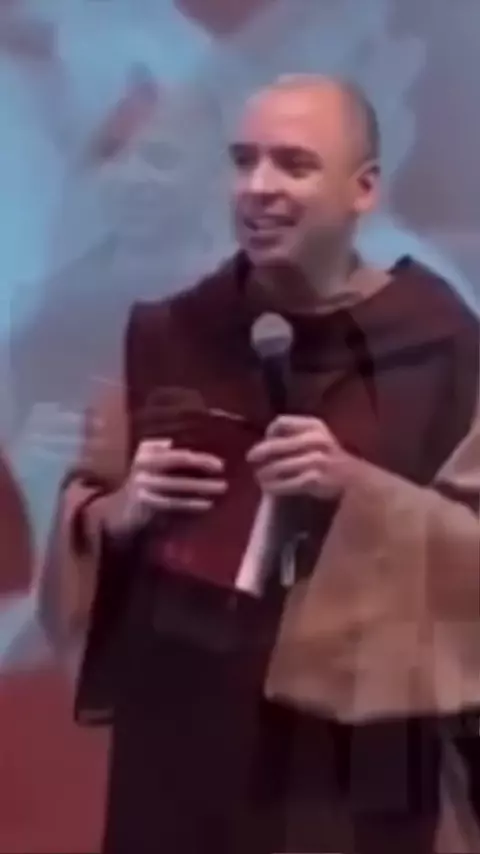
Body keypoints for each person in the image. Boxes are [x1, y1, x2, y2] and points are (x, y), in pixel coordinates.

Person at [41, 74, 480, 853]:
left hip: (359, 767)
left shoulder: (440, 343)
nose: (258, 187)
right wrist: (118, 513)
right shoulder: (170, 332)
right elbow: (88, 510)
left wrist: (359, 491)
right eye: (244, 161)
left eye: (294, 164)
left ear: (364, 189)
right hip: (184, 747)